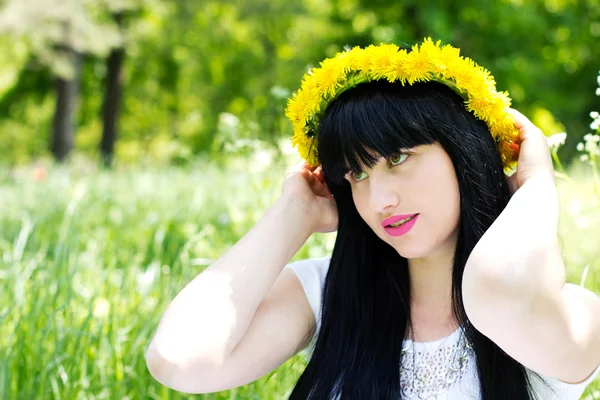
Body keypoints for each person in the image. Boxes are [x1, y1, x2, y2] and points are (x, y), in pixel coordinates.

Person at [145, 39, 600, 399]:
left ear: (464, 152)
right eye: (357, 173)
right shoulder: (331, 294)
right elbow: (178, 359)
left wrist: (536, 183)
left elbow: (499, 286)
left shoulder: (571, 315)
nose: (379, 198)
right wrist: (293, 215)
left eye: (399, 157)